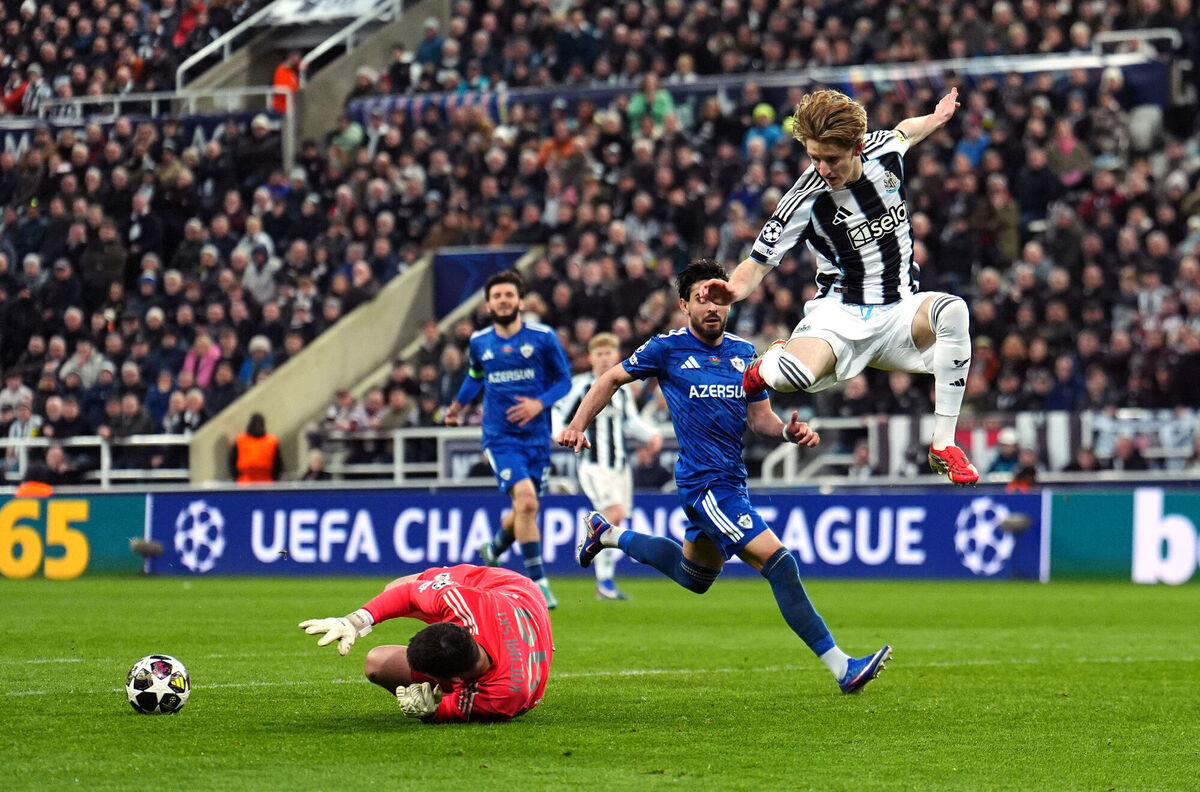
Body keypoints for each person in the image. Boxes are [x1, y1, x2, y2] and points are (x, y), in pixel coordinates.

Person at [559, 260, 890, 694]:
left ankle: (606, 534)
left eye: (719, 298)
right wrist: (578, 424)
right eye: (702, 298)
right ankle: (842, 667)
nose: (712, 306)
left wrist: (787, 432)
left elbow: (760, 418)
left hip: (732, 482)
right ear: (684, 305)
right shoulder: (666, 349)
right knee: (780, 563)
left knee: (693, 577)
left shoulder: (745, 353)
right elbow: (610, 379)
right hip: (705, 485)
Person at [699, 88, 979, 486]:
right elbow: (758, 263)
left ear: (857, 147)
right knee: (791, 377)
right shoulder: (804, 199)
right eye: (814, 157)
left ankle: (943, 444)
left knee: (953, 311)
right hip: (839, 316)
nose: (823, 168)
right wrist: (732, 290)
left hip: (899, 311)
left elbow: (906, 131)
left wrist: (936, 118)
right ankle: (768, 362)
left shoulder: (884, 152)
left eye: (831, 158)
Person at [444, 271, 571, 609]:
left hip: (537, 438)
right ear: (488, 305)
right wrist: (457, 405)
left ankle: (494, 548)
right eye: (497, 296)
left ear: (521, 301)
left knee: (524, 509)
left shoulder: (542, 338)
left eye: (509, 295)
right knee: (527, 502)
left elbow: (564, 381)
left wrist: (538, 403)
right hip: (500, 438)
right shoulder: (479, 342)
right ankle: (539, 584)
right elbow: (475, 375)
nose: (503, 301)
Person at [299, 563, 553, 723]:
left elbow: (444, 711)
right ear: (455, 626)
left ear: (454, 681)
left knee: (377, 664)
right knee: (393, 588)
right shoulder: (460, 602)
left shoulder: (502, 695)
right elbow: (407, 593)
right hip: (506, 589)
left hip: (518, 660)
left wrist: (430, 712)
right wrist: (354, 621)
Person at [552, 332, 662, 600]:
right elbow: (558, 413)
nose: (604, 359)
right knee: (613, 513)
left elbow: (630, 423)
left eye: (608, 353)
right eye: (599, 354)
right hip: (593, 464)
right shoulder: (580, 386)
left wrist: (652, 435)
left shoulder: (622, 390)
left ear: (617, 356)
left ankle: (606, 581)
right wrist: (561, 434)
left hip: (620, 467)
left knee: (615, 519)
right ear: (590, 358)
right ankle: (604, 582)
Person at [229, 412, 282, 483]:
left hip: (255, 481)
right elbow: (278, 466)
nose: (257, 427)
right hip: (254, 481)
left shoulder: (240, 440)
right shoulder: (272, 441)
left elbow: (278, 465)